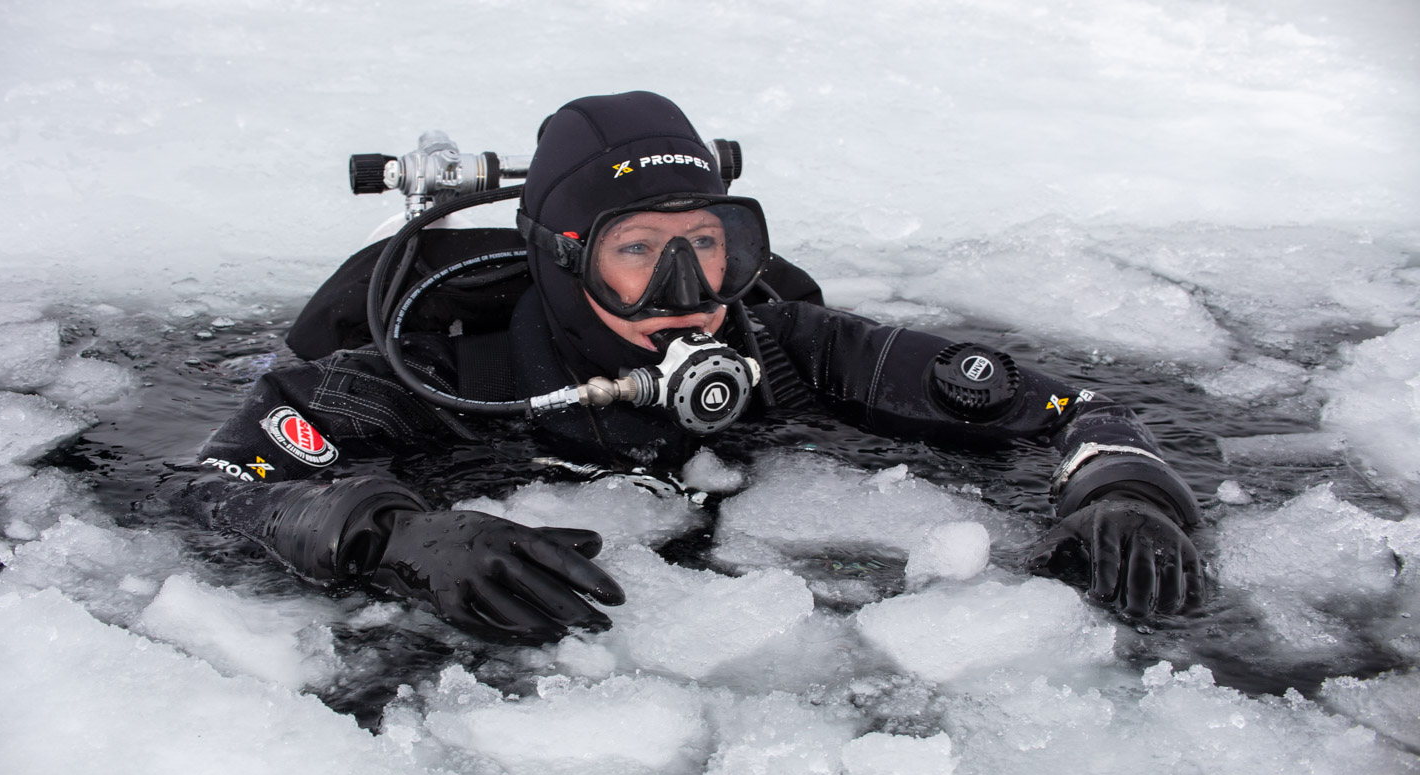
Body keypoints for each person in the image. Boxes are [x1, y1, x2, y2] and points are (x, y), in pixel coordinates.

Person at [173, 91, 1204, 644]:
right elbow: (206, 488)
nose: (687, 286)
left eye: (704, 243)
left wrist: (1126, 487)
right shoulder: (433, 370)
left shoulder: (786, 347)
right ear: (563, 262)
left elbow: (1076, 406)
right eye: (638, 251)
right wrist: (394, 534)